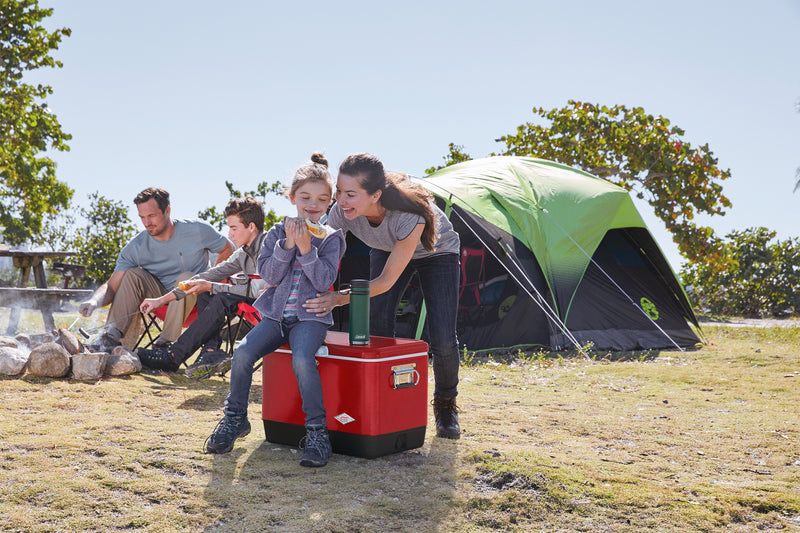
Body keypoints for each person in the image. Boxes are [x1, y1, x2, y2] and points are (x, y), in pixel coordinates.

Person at [303, 153, 463, 439]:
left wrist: (339, 297)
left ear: (375, 195)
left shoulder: (409, 216)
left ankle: (446, 405)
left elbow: (386, 281)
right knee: (375, 323)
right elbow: (320, 248)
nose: (341, 200)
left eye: (351, 194)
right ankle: (382, 400)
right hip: (388, 247)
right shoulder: (341, 212)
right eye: (339, 192)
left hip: (437, 252)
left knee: (442, 338)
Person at [204, 153, 346, 468]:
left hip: (310, 319)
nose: (313, 204)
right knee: (241, 353)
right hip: (275, 317)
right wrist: (288, 246)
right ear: (293, 197)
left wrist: (308, 248)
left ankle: (317, 431)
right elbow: (268, 276)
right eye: (306, 197)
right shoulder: (276, 235)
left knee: (302, 359)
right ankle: (235, 418)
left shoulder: (334, 239)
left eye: (322, 199)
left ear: (330, 202)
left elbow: (324, 280)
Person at [78, 187, 234, 352]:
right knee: (132, 274)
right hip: (160, 302)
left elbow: (227, 248)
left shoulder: (196, 230)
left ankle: (164, 346)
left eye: (151, 216)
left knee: (187, 278)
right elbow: (111, 286)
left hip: (196, 301)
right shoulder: (136, 247)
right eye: (142, 217)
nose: (146, 223)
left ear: (167, 211)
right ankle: (110, 339)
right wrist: (93, 302)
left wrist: (209, 280)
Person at [135, 197, 268, 377]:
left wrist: (211, 286)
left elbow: (256, 291)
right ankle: (211, 352)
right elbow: (207, 276)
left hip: (271, 307)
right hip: (250, 301)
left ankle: (174, 355)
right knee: (206, 293)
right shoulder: (242, 254)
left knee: (218, 294)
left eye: (234, 228)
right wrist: (161, 300)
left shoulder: (269, 246)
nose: (230, 235)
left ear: (251, 227)